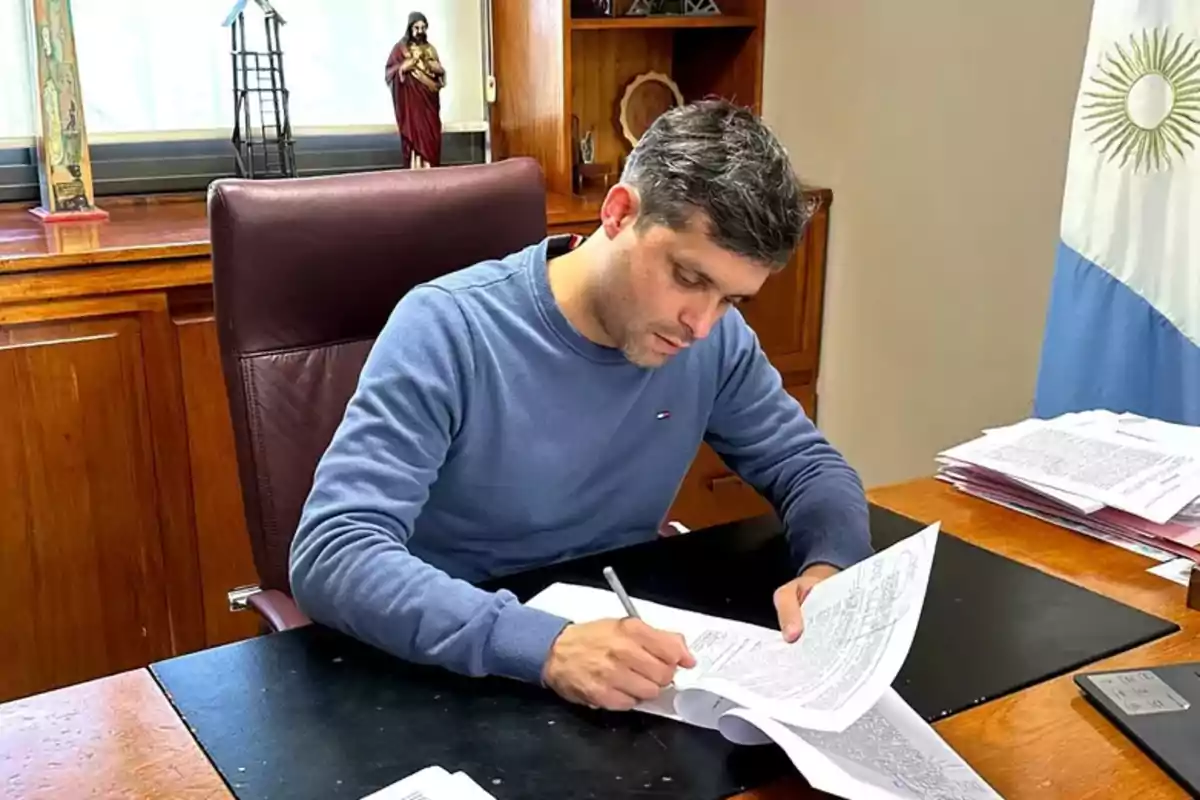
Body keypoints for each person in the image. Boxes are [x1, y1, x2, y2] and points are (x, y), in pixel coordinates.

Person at [290, 99, 874, 712]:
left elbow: (809, 467)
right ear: (620, 213)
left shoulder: (713, 341)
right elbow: (336, 552)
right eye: (688, 277)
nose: (700, 325)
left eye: (732, 299)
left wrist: (828, 571)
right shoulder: (448, 328)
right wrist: (545, 647)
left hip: (623, 656)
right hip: (452, 667)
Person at [385, 11, 445, 168]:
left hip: (429, 104)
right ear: (410, 28)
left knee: (431, 139)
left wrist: (439, 71)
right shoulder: (401, 49)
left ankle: (431, 169)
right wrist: (404, 68)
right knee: (415, 138)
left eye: (423, 28)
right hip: (412, 107)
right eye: (417, 28)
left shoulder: (431, 49)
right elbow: (390, 72)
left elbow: (439, 77)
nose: (420, 31)